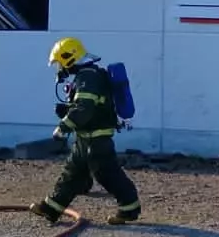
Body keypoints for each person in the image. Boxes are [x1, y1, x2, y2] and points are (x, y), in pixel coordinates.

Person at [28, 37, 142, 226]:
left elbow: (84, 108)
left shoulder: (88, 77)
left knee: (107, 174)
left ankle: (129, 208)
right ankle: (51, 208)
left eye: (60, 63)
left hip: (96, 139)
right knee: (72, 174)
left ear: (69, 59)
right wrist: (67, 110)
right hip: (86, 138)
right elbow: (88, 105)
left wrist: (63, 127)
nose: (60, 69)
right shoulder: (88, 76)